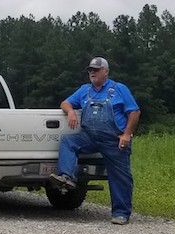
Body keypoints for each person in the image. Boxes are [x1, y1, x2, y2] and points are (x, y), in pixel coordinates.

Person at [49, 56, 141, 225]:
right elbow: (65, 102)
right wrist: (70, 111)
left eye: (96, 70)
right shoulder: (84, 90)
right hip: (90, 137)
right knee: (69, 141)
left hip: (113, 140)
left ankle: (121, 213)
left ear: (106, 71)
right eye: (90, 70)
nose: (92, 73)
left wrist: (127, 134)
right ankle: (67, 177)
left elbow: (134, 112)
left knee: (120, 176)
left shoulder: (119, 89)